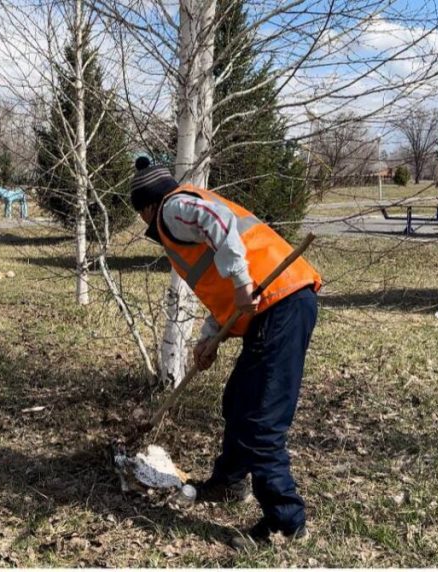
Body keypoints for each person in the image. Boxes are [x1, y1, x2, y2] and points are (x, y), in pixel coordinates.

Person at [129, 156, 322, 549]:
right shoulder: (178, 213)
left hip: (281, 303)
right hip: (274, 305)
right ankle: (229, 483)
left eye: (140, 215)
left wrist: (240, 280)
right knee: (238, 402)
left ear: (146, 207)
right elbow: (219, 283)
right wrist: (209, 337)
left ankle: (286, 523)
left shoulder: (172, 208)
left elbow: (218, 223)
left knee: (260, 419)